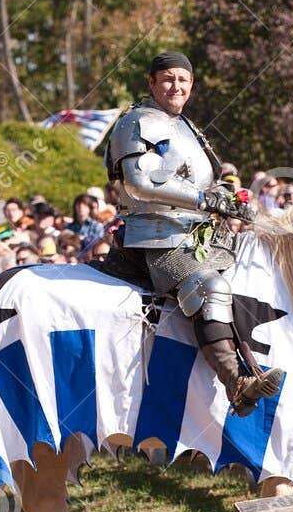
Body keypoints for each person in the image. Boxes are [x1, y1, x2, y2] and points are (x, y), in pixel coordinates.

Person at [99, 51, 283, 415]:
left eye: (183, 80)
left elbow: (201, 183)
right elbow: (141, 183)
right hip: (158, 236)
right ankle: (238, 384)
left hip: (198, 232)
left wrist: (229, 200)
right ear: (151, 83)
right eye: (167, 79)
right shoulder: (136, 122)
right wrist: (205, 199)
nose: (176, 86)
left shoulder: (185, 126)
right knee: (210, 287)